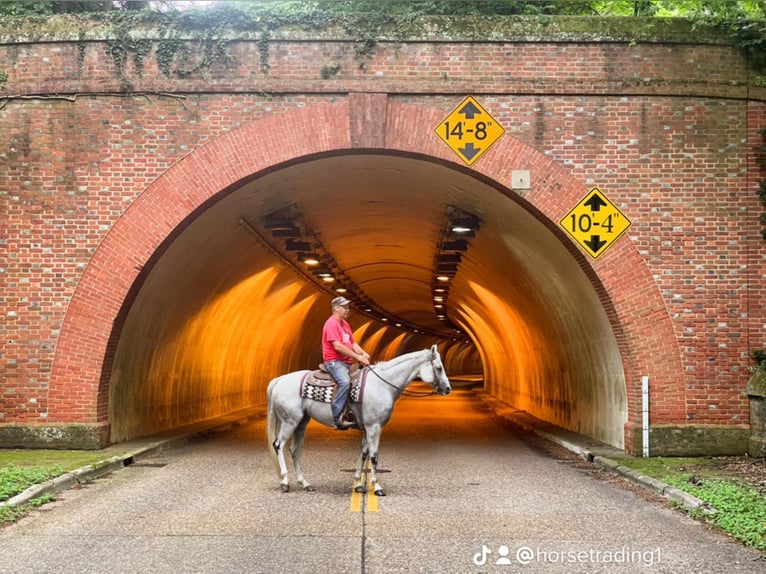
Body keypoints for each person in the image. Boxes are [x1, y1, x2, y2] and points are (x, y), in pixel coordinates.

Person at [322, 296, 370, 430]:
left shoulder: (345, 324)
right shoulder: (331, 324)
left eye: (348, 307)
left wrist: (363, 353)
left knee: (363, 382)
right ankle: (337, 418)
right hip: (335, 362)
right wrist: (357, 357)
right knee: (344, 382)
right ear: (336, 308)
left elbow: (353, 343)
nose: (348, 310)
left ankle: (355, 412)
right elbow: (338, 346)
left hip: (347, 362)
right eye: (345, 307)